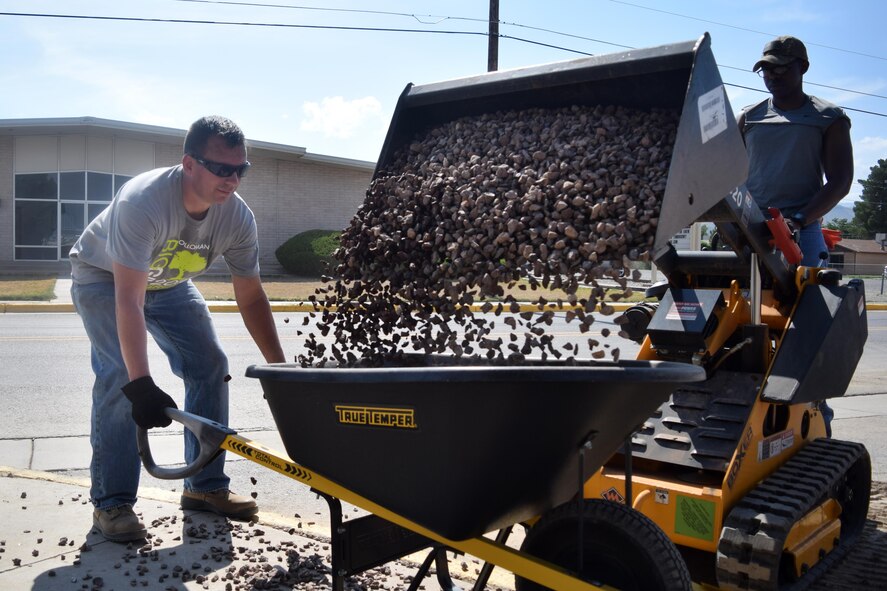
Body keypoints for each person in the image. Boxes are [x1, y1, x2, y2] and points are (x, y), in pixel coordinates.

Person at [69, 115, 286, 542]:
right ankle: (111, 503)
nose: (233, 180)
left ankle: (204, 488)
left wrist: (281, 369)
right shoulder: (143, 201)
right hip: (104, 278)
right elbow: (128, 299)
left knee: (209, 363)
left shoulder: (237, 219)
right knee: (119, 378)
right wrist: (142, 384)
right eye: (222, 169)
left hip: (168, 283)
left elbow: (252, 297)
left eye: (241, 169)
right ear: (189, 164)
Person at [738, 35, 854, 267]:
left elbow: (841, 181)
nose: (772, 75)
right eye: (766, 69)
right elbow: (727, 175)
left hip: (802, 228)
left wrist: (797, 221)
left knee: (810, 295)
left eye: (780, 67)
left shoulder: (829, 117)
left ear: (803, 67)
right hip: (750, 226)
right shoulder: (748, 117)